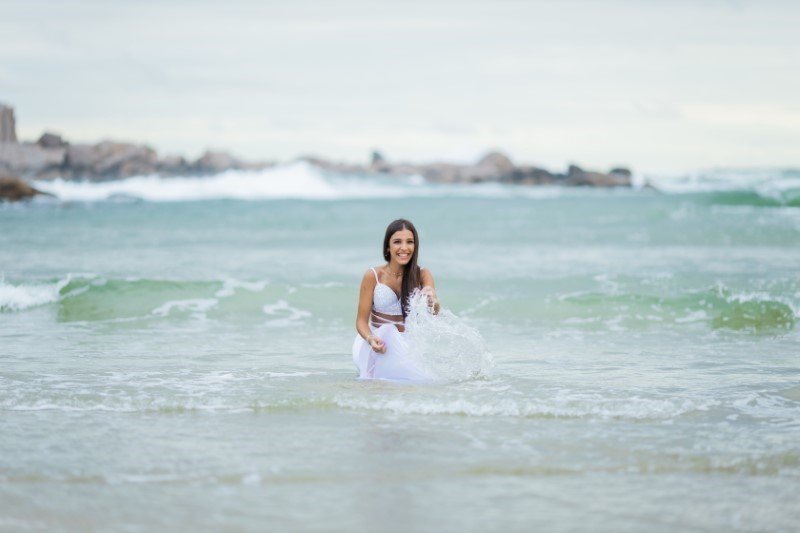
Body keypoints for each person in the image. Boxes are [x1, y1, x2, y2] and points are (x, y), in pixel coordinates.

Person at [352, 219, 440, 382]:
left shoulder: (422, 275)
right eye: (397, 242)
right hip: (375, 341)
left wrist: (431, 298)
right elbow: (361, 322)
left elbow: (433, 313)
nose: (404, 248)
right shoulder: (373, 276)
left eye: (410, 242)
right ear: (388, 246)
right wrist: (371, 339)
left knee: (423, 382)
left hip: (406, 344)